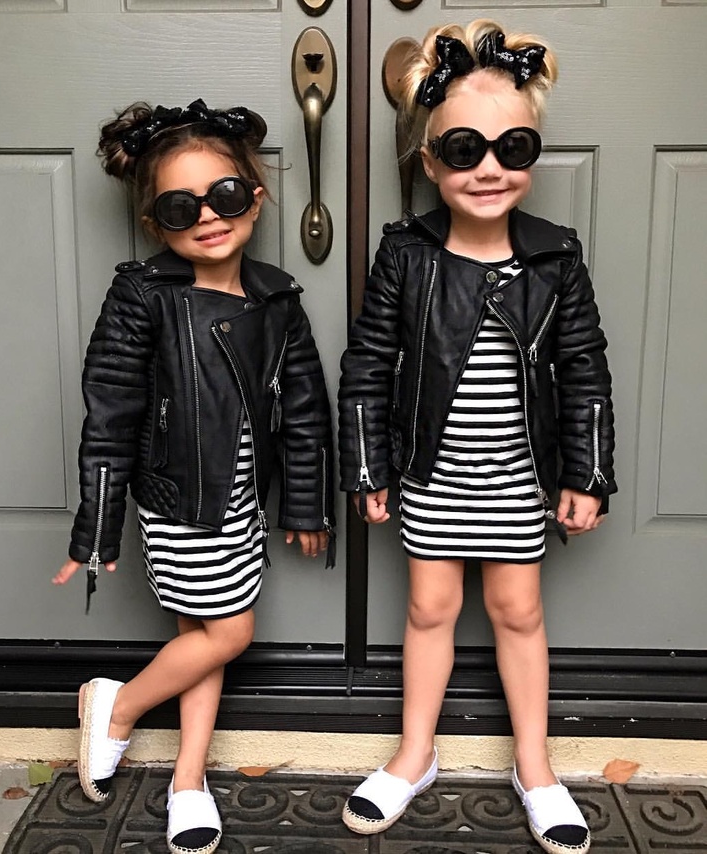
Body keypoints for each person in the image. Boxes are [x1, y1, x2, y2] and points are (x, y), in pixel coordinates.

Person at [337, 21, 615, 854]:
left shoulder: (555, 258)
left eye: (512, 146)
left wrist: (588, 473)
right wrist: (367, 466)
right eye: (464, 149)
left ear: (532, 154)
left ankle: (534, 765)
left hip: (519, 478)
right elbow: (368, 362)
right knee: (429, 609)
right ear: (430, 163)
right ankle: (415, 754)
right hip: (433, 474)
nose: (489, 167)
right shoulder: (406, 254)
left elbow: (585, 367)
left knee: (518, 612)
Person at [53, 98, 335, 854]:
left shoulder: (277, 297)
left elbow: (305, 406)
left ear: (256, 198)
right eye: (182, 207)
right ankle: (117, 707)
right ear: (157, 224)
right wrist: (97, 528)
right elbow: (110, 411)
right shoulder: (143, 295)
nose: (208, 216)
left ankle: (187, 779)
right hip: (178, 500)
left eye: (226, 195)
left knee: (201, 634)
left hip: (243, 504)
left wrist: (305, 503)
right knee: (228, 633)